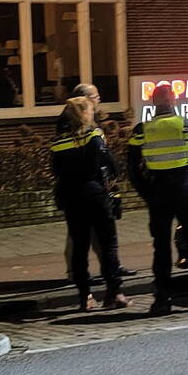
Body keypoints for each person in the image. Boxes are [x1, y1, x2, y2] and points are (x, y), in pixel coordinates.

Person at [128, 85, 188, 316]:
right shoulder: (187, 126)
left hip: (158, 191)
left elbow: (132, 169)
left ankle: (162, 298)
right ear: (173, 101)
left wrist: (146, 192)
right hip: (185, 189)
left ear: (153, 102)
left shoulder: (141, 130)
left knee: (161, 246)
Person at [50, 96, 128, 310]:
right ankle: (115, 293)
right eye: (91, 110)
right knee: (108, 244)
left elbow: (56, 171)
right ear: (84, 114)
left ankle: (85, 297)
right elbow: (110, 164)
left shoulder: (58, 143)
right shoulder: (94, 135)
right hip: (95, 195)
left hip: (72, 198)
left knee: (80, 248)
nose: (93, 113)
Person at [58, 84, 136, 281]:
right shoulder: (72, 122)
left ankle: (109, 267)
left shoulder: (85, 121)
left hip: (81, 188)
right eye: (95, 96)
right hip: (88, 188)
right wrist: (109, 174)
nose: (99, 100)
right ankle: (78, 273)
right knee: (82, 234)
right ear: (85, 99)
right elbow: (98, 157)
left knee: (91, 233)